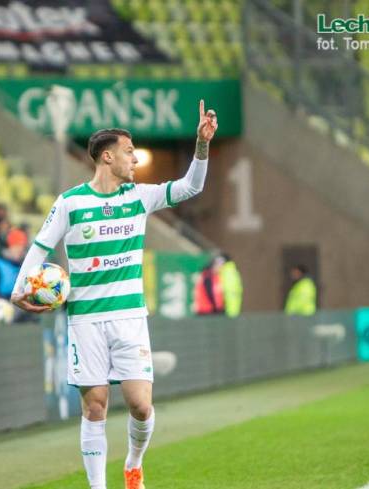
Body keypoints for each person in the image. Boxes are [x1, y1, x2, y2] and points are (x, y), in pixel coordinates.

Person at [12, 100, 218, 489]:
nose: (135, 159)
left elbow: (191, 186)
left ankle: (133, 463)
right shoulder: (71, 203)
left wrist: (202, 144)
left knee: (140, 405)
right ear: (107, 157)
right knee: (95, 407)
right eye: (129, 152)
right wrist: (19, 289)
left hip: (129, 318)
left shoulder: (139, 197)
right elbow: (40, 247)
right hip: (85, 319)